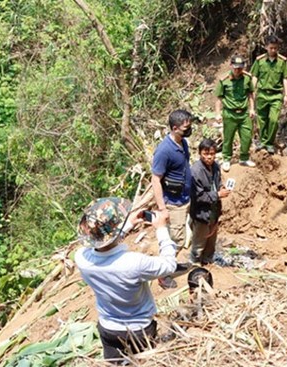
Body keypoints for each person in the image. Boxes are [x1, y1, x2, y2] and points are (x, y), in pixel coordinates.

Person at [75, 197, 177, 363]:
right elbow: (169, 265)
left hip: (108, 328)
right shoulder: (134, 263)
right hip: (139, 330)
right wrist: (161, 229)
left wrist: (127, 225)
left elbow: (104, 246)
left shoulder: (82, 259)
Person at [151, 109, 193, 289]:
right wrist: (162, 208)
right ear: (174, 128)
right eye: (185, 128)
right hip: (173, 202)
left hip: (184, 199)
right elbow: (155, 179)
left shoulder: (182, 143)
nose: (188, 130)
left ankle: (172, 265)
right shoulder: (164, 150)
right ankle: (163, 274)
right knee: (176, 240)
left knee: (177, 237)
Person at [189, 138, 230, 264]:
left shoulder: (216, 167)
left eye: (212, 154)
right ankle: (195, 264)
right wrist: (217, 194)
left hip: (213, 210)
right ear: (200, 154)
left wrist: (221, 188)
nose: (209, 157)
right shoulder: (195, 171)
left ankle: (208, 260)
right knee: (199, 242)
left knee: (211, 239)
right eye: (206, 154)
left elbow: (217, 183)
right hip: (201, 213)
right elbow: (198, 196)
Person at [250, 35, 287, 154]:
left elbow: (285, 78)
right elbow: (254, 76)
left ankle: (269, 143)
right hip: (262, 94)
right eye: (271, 48)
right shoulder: (260, 61)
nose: (273, 50)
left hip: (276, 96)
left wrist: (286, 95)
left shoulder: (282, 62)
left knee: (273, 120)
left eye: (275, 48)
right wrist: (252, 91)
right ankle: (263, 142)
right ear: (266, 47)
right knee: (261, 120)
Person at [215, 55, 256, 172]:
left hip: (244, 114)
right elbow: (219, 98)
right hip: (230, 113)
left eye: (240, 68)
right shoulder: (224, 80)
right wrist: (217, 114)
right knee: (228, 137)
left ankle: (244, 158)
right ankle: (227, 159)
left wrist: (252, 109)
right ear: (231, 66)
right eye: (235, 68)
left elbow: (250, 94)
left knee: (247, 137)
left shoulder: (247, 79)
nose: (238, 70)